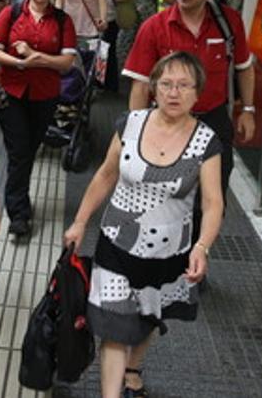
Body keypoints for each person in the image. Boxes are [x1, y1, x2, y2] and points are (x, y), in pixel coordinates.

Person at [64, 52, 223, 398]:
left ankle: (133, 369)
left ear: (198, 93)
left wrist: (202, 247)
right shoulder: (131, 123)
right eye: (166, 84)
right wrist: (79, 222)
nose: (173, 92)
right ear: (153, 88)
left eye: (184, 85)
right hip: (117, 244)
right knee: (115, 326)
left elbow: (212, 204)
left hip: (169, 251)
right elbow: (106, 174)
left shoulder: (206, 142)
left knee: (150, 314)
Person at [124, 0, 255, 208]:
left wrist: (248, 110)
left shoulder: (228, 23)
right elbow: (140, 85)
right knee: (163, 198)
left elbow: (244, 68)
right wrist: (135, 137)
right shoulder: (154, 27)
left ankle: (200, 245)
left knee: (212, 198)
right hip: (167, 122)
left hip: (213, 121)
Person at [0, 0, 77, 238]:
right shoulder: (11, 13)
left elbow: (67, 62)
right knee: (19, 151)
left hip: (45, 95)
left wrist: (39, 59)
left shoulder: (62, 21)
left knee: (30, 147)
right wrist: (17, 62)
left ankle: (19, 204)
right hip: (11, 92)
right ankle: (18, 214)